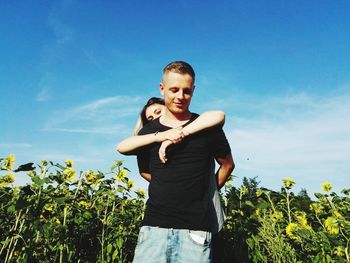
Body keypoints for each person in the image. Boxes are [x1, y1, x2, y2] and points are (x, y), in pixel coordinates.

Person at [120, 61, 234, 262]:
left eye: (187, 91)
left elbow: (227, 164)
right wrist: (160, 140)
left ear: (194, 90)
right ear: (162, 89)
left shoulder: (206, 127)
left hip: (196, 230)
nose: (180, 97)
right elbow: (144, 171)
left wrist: (208, 190)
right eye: (174, 90)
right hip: (153, 227)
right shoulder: (149, 132)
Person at [117, 98, 227, 234]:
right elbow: (123, 149)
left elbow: (219, 115)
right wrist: (170, 184)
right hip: (160, 220)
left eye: (158, 112)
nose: (155, 119)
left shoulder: (198, 125)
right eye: (150, 118)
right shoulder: (151, 137)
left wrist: (204, 189)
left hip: (202, 215)